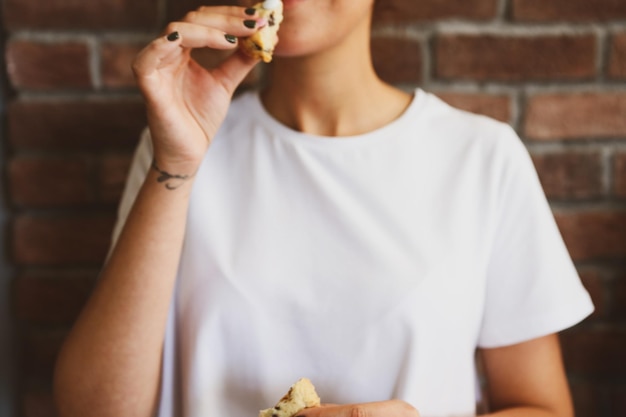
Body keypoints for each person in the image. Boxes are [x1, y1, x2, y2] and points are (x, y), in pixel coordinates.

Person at [53, 1, 594, 417]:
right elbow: (91, 408)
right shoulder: (177, 144)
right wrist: (176, 162)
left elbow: (544, 406)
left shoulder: (481, 157)